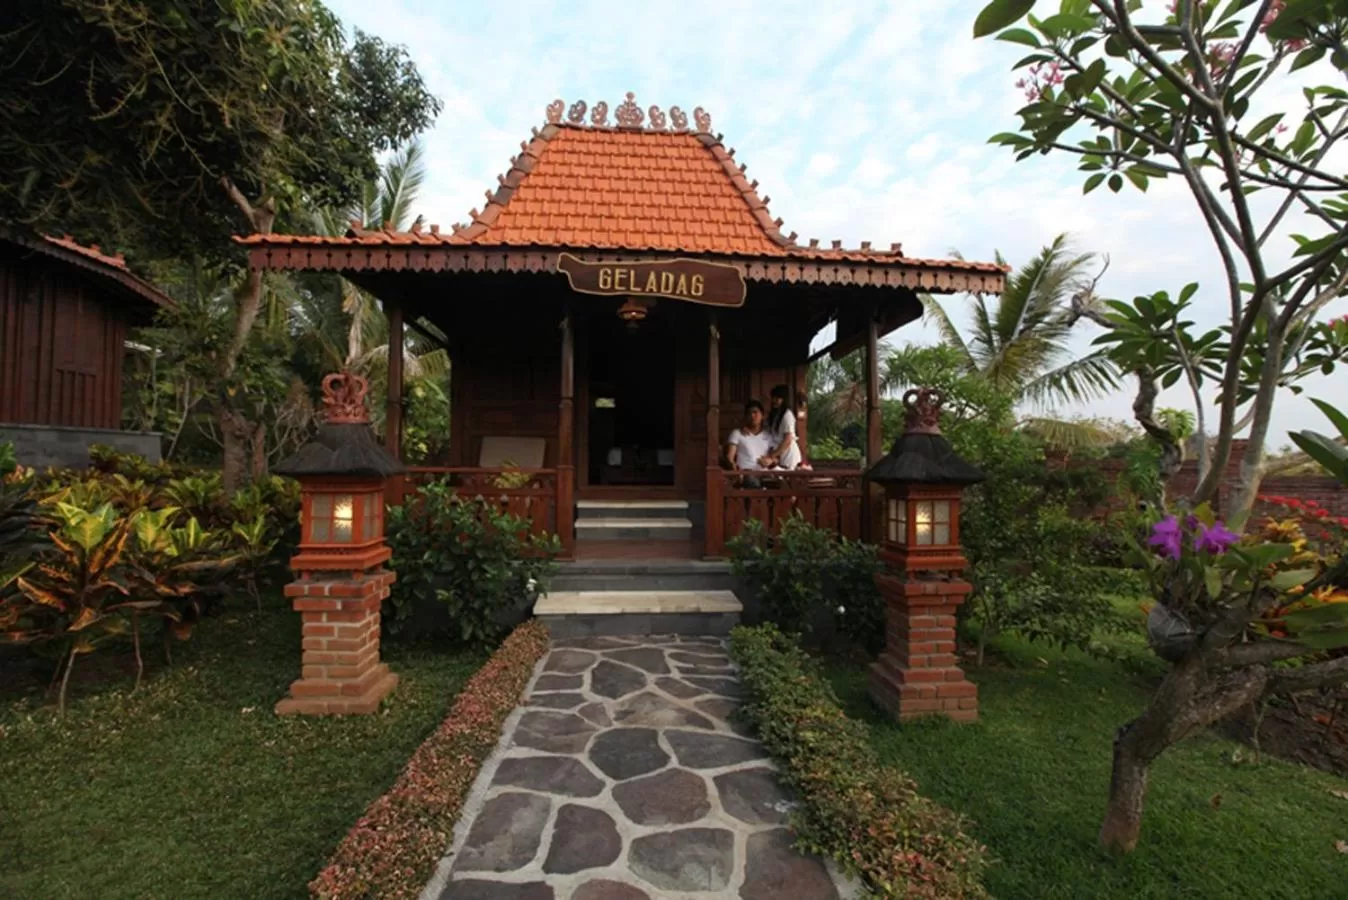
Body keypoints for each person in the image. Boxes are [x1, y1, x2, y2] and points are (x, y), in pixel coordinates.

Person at [725, 400, 773, 485]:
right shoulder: (737, 433)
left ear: (762, 415)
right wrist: (734, 468)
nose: (752, 416)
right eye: (749, 413)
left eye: (755, 412)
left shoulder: (768, 436)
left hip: (764, 474)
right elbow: (730, 457)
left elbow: (775, 457)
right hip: (746, 475)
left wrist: (770, 461)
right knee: (752, 481)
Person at [763, 384, 801, 470]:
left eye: (778, 398)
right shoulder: (775, 415)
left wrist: (772, 455)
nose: (774, 400)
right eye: (773, 398)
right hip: (779, 455)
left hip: (788, 454)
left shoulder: (787, 415)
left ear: (784, 399)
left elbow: (788, 439)